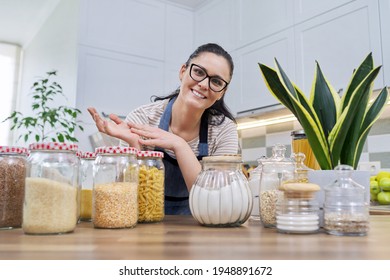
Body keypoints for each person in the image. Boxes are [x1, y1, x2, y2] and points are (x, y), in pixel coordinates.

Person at [88, 43, 239, 215]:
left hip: (201, 231)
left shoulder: (224, 130)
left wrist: (179, 145)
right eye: (198, 72)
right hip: (146, 229)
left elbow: (215, 202)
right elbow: (128, 198)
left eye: (216, 81)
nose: (204, 84)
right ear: (183, 71)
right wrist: (133, 146)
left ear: (222, 92)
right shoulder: (143, 119)